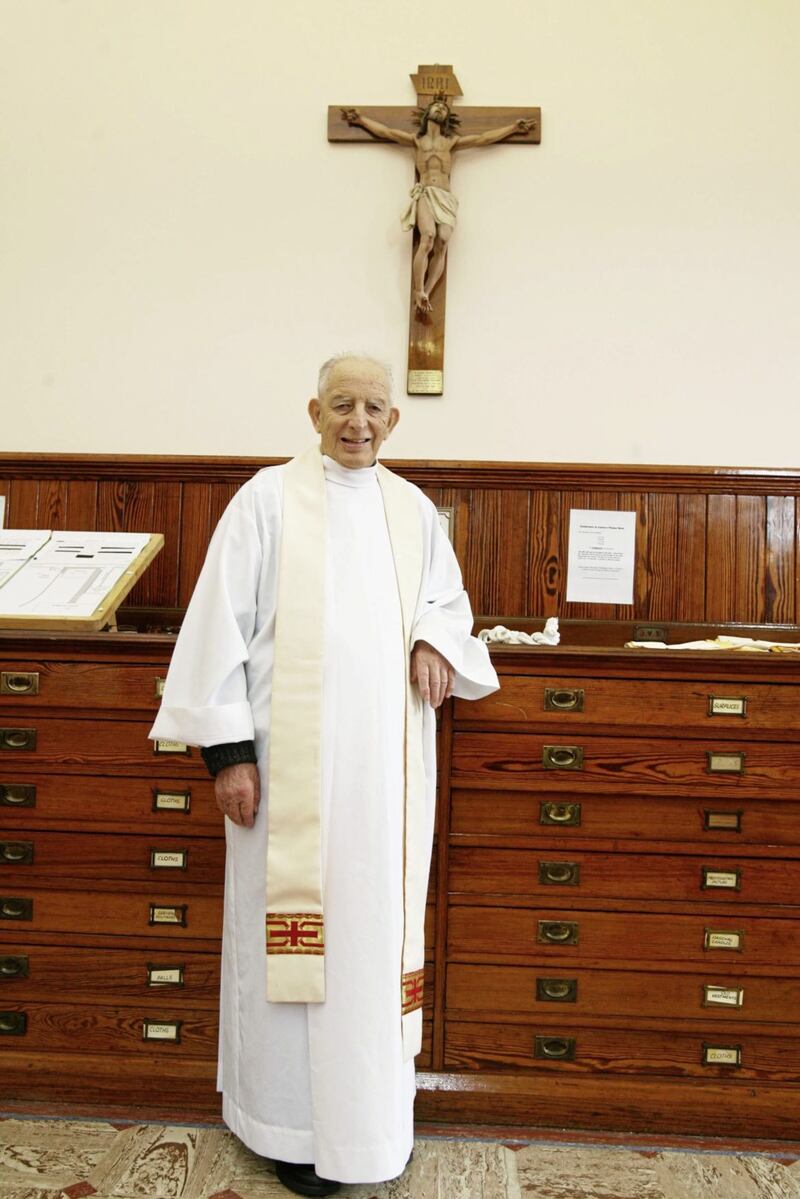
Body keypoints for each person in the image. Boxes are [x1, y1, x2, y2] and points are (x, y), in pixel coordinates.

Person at [149, 353, 498, 1198]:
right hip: (282, 784)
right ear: (313, 411)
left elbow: (450, 607)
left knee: (370, 947)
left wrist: (433, 640)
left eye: (374, 407)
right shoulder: (266, 500)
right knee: (288, 954)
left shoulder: (414, 513)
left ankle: (371, 1123)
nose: (358, 421)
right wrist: (229, 756)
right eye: (341, 404)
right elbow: (215, 633)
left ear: (394, 420)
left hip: (383, 788)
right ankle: (287, 1126)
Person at [341, 98, 535, 314]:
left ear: (447, 118)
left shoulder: (451, 143)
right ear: (427, 114)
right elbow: (386, 132)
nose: (441, 108)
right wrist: (360, 120)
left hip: (445, 197)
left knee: (442, 241)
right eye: (437, 106)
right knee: (429, 237)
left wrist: (514, 128)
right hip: (425, 192)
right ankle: (417, 290)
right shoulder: (416, 140)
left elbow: (483, 138)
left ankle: (426, 291)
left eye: (444, 108)